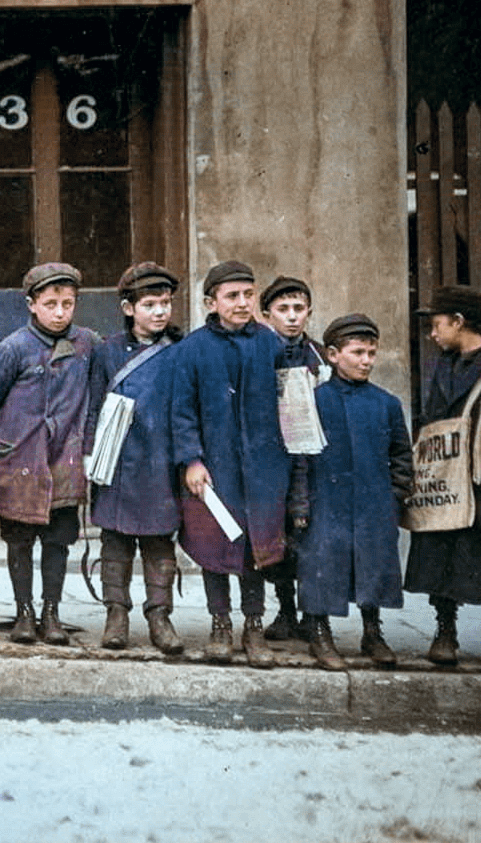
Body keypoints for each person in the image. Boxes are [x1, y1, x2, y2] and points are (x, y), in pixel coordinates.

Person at [170, 260, 290, 667]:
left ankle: (253, 626)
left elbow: (292, 404)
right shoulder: (192, 348)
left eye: (248, 295)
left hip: (262, 467)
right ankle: (220, 623)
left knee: (256, 545)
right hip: (214, 467)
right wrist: (191, 460)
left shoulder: (271, 345)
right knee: (214, 545)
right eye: (232, 296)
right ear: (212, 301)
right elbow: (182, 411)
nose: (242, 304)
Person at [0, 263, 99, 646]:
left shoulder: (87, 344)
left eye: (67, 303)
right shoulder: (12, 348)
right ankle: (24, 611)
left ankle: (52, 611)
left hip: (65, 456)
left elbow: (97, 397)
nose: (60, 312)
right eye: (50, 304)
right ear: (31, 304)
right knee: (19, 538)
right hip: (18, 458)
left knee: (59, 539)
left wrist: (89, 448)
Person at [404, 286, 481, 674]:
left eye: (437, 324)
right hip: (448, 483)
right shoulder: (443, 366)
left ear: (459, 322)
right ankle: (445, 631)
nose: (432, 334)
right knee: (441, 553)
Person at [294, 314, 412, 670]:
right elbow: (299, 457)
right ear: (332, 355)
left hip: (373, 502)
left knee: (372, 564)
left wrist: (394, 495)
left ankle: (372, 631)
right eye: (358, 352)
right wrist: (300, 503)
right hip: (325, 502)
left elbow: (401, 455)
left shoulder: (386, 403)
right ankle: (319, 631)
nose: (366, 361)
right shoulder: (314, 401)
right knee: (321, 563)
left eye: (372, 353)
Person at [84, 262, 185, 654]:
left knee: (160, 541)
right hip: (118, 459)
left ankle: (159, 616)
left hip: (161, 458)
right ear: (129, 309)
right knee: (115, 540)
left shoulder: (179, 351)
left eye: (165, 303)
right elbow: (93, 405)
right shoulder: (107, 351)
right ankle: (116, 614)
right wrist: (91, 455)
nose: (160, 312)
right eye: (149, 304)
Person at [259, 275, 329, 643]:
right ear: (267, 314)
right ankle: (285, 609)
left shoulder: (321, 356)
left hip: (314, 462)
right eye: (283, 309)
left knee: (313, 541)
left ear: (309, 312)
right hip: (276, 460)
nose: (291, 317)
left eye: (298, 309)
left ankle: (313, 614)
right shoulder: (259, 353)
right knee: (279, 539)